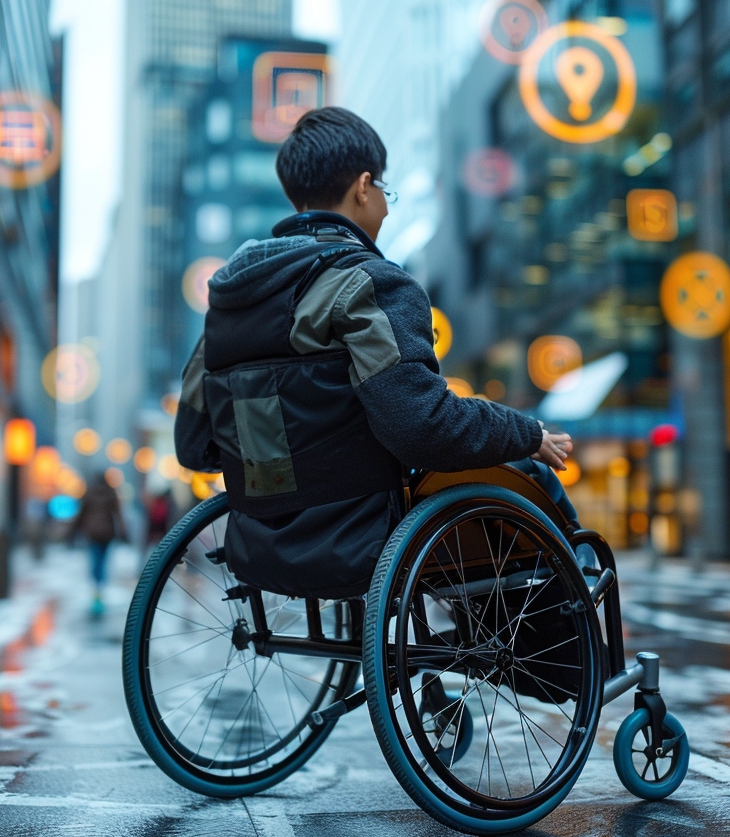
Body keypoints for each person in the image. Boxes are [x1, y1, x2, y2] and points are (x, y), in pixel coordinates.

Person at [174, 106, 574, 600]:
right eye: (385, 191)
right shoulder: (369, 283)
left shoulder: (231, 301)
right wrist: (527, 434)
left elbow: (196, 447)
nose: (385, 206)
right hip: (363, 542)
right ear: (364, 187)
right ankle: (569, 664)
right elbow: (423, 428)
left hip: (260, 550)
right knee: (527, 475)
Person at [71, 473, 127, 616]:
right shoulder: (111, 493)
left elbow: (80, 513)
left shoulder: (89, 493)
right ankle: (100, 588)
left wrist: (73, 530)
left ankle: (96, 589)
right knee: (103, 560)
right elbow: (118, 514)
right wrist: (122, 531)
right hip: (107, 533)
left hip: (92, 533)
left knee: (95, 560)